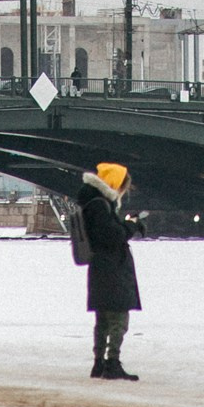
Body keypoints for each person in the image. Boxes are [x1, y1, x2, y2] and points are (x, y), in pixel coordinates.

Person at [77, 160, 144, 380]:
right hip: (111, 267)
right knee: (118, 317)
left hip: (100, 266)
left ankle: (98, 363)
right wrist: (132, 225)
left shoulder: (92, 202)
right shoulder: (100, 204)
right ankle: (112, 363)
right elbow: (112, 236)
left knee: (103, 318)